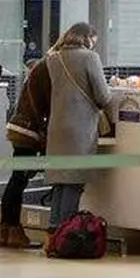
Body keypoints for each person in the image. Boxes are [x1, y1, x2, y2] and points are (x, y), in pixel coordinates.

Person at [44, 23, 114, 248]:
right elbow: (103, 96)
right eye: (94, 40)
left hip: (57, 127)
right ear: (87, 38)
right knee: (73, 182)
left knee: (59, 183)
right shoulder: (90, 57)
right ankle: (65, 236)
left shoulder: (53, 58)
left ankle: (52, 235)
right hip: (79, 128)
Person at [0, 58, 51, 249]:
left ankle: (6, 230)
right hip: (28, 131)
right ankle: (13, 230)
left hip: (19, 128)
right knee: (18, 181)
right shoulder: (49, 69)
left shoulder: (37, 72)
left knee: (16, 180)